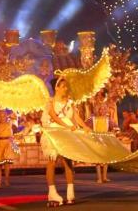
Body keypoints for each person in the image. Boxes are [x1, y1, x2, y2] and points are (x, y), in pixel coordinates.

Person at [41, 76, 91, 206]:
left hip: (67, 132)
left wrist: (85, 126)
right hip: (54, 133)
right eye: (63, 86)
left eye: (66, 86)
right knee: (52, 161)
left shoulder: (70, 102)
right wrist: (67, 126)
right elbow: (53, 116)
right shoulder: (50, 102)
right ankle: (52, 193)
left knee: (68, 161)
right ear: (56, 88)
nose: (66, 88)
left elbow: (76, 116)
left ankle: (70, 193)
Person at [0, 110, 17, 188]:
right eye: (0, 116)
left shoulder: (9, 124)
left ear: (6, 117)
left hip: (7, 144)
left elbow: (14, 116)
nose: (2, 118)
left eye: (3, 116)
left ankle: (7, 180)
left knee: (7, 164)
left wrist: (14, 146)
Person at [91, 88, 111, 184]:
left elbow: (109, 117)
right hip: (97, 130)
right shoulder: (95, 104)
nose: (99, 95)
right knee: (97, 155)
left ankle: (105, 176)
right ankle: (99, 177)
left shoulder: (107, 104)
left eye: (101, 93)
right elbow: (95, 113)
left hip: (105, 131)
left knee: (106, 155)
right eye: (98, 93)